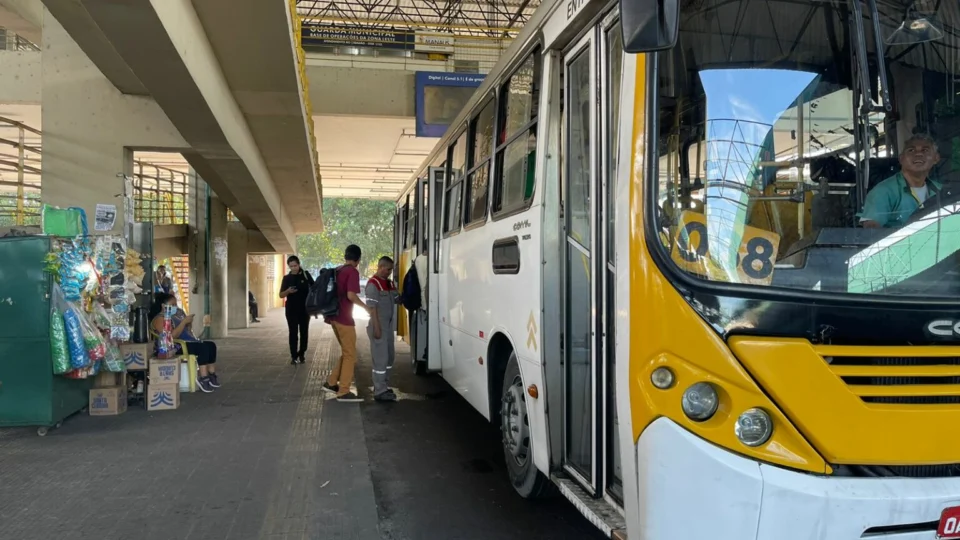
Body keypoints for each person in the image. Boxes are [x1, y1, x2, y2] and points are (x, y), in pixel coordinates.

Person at [860, 134, 942, 228]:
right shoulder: (883, 192)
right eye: (911, 150)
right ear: (901, 159)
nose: (918, 154)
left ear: (936, 158)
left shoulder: (941, 191)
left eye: (925, 150)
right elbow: (871, 233)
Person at [322, 244, 370, 402]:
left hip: (333, 317)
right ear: (358, 259)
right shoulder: (352, 272)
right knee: (351, 355)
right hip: (344, 318)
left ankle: (331, 382)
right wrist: (366, 308)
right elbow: (351, 295)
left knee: (346, 352)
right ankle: (343, 391)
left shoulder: (338, 270)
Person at [149, 292, 220, 393]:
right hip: (173, 346)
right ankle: (203, 378)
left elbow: (187, 331)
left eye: (176, 304)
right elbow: (171, 337)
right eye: (172, 305)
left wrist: (188, 324)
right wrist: (183, 322)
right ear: (163, 306)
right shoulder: (160, 319)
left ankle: (211, 374)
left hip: (186, 341)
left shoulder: (177, 314)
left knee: (211, 345)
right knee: (202, 348)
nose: (175, 307)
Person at [366, 256, 401, 402]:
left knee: (389, 357)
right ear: (380, 267)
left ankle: (384, 386)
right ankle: (379, 391)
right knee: (380, 359)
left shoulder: (388, 283)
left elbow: (397, 298)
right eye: (388, 269)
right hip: (378, 326)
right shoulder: (373, 284)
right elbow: (372, 309)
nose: (389, 272)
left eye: (391, 270)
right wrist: (377, 328)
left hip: (387, 326)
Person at [279, 255, 314, 365]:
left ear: (299, 264)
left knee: (304, 332)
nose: (294, 268)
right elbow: (280, 294)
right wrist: (288, 291)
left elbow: (314, 288)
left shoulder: (306, 275)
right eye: (291, 266)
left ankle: (302, 353)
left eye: (295, 265)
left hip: (304, 310)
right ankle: (293, 356)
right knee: (293, 332)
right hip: (291, 309)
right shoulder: (286, 278)